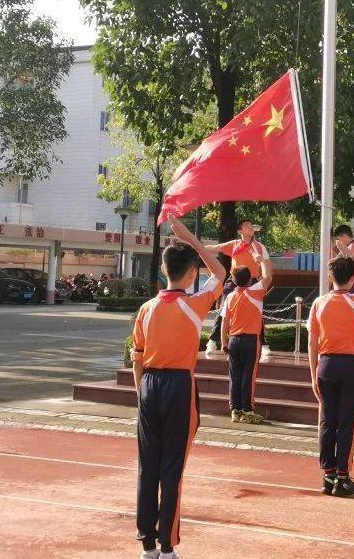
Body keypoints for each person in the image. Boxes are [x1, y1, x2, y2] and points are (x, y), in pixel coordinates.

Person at [131, 215, 227, 559]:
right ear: (191, 274)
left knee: (148, 466)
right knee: (173, 467)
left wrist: (141, 393)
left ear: (162, 271)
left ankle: (147, 545)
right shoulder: (195, 304)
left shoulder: (146, 309)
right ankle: (167, 545)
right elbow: (221, 273)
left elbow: (137, 358)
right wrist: (193, 239)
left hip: (150, 385)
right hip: (179, 385)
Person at [308, 240, 354, 497]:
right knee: (346, 422)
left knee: (327, 420)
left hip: (326, 364)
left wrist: (313, 373)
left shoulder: (319, 303)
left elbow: (312, 342)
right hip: (352, 365)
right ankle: (342, 476)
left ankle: (327, 476)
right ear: (353, 279)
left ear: (329, 277)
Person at [222, 251, 273, 423]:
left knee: (234, 375)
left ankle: (235, 410)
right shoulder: (256, 291)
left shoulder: (229, 296)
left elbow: (225, 322)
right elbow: (268, 276)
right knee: (248, 376)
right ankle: (247, 409)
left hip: (233, 340)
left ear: (233, 281)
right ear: (250, 279)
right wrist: (261, 260)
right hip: (251, 340)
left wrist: (223, 342)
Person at [207, 219, 271, 351]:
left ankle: (263, 344)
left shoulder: (259, 246)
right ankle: (213, 340)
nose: (250, 227)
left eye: (251, 225)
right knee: (224, 311)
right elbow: (215, 248)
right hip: (234, 280)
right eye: (247, 226)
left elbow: (268, 265)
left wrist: (264, 271)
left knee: (257, 312)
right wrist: (196, 247)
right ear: (240, 231)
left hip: (252, 281)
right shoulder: (234, 244)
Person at [332, 223, 354, 288]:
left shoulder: (352, 247)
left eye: (338, 239)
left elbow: (351, 267)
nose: (338, 242)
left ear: (344, 236)